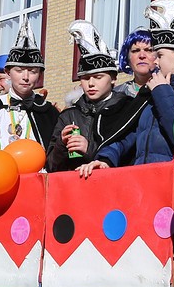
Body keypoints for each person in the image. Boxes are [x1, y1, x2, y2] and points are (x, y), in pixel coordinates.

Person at [83, 0, 174, 175]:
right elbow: (129, 133)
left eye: (160, 55)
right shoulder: (151, 90)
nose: (154, 61)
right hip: (143, 179)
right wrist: (106, 159)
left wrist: (162, 92)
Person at [50, 21, 147, 176]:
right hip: (75, 187)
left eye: (98, 77)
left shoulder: (127, 108)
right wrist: (61, 145)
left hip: (114, 186)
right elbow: (51, 167)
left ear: (113, 78)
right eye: (85, 78)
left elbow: (132, 155)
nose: (91, 83)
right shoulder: (68, 116)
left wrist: (89, 149)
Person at [0, 17, 57, 153]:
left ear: (40, 75)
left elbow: (55, 156)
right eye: (19, 70)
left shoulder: (48, 112)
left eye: (32, 71)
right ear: (8, 73)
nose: (25, 77)